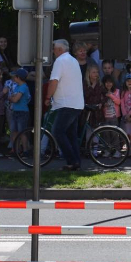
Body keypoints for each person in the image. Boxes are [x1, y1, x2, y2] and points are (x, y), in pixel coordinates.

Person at [47, 39, 85, 171]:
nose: (52, 51)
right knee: (71, 135)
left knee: (57, 132)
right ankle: (76, 162)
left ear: (59, 50)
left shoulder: (60, 61)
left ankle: (72, 161)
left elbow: (53, 82)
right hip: (76, 103)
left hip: (66, 104)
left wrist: (48, 96)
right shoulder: (73, 60)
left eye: (54, 49)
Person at [5, 68, 31, 156]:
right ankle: (16, 149)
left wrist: (11, 98)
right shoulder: (18, 87)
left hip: (22, 112)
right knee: (14, 131)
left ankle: (25, 150)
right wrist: (12, 97)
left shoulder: (23, 87)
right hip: (15, 111)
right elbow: (13, 96)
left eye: (15, 77)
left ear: (18, 77)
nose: (13, 78)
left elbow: (15, 99)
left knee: (22, 131)